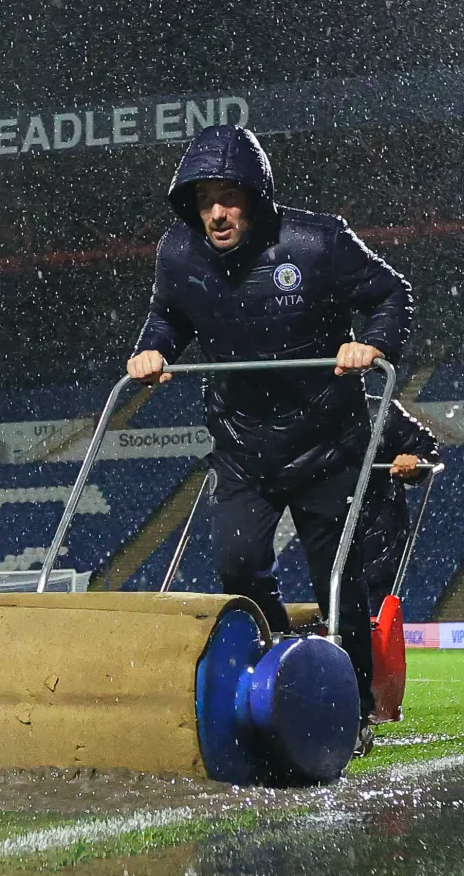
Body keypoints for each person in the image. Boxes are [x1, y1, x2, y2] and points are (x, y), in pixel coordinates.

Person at [127, 123, 412, 755]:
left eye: (229, 198)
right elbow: (167, 315)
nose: (217, 213)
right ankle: (285, 666)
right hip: (243, 447)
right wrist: (153, 349)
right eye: (205, 201)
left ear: (255, 197)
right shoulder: (177, 253)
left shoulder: (318, 241)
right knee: (236, 563)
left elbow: (393, 294)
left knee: (338, 581)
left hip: (326, 445)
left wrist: (373, 344)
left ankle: (353, 707)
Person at [359, 399, 440, 609]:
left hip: (376, 532)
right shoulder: (303, 412)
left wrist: (415, 462)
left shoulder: (381, 411)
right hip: (326, 528)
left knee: (371, 609)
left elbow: (425, 448)